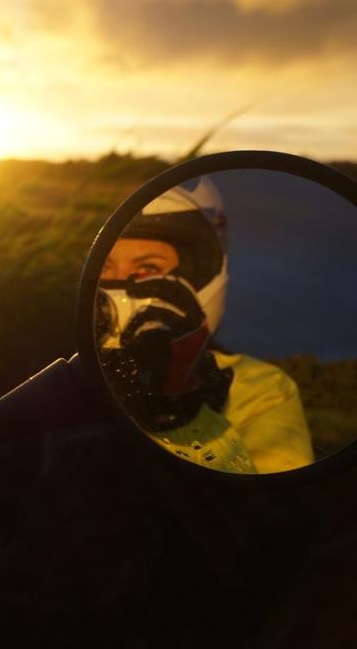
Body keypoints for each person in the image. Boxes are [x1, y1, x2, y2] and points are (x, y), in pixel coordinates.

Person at [96, 177, 313, 474]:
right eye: (104, 267)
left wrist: (173, 410)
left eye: (148, 268)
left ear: (200, 281)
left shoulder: (259, 389)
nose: (119, 285)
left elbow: (267, 509)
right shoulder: (68, 371)